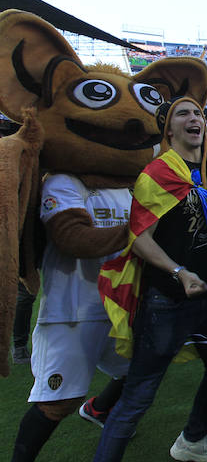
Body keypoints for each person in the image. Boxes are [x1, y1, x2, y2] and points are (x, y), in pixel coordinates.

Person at [94, 97, 207, 462]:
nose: (194, 118)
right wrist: (180, 272)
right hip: (167, 301)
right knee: (138, 396)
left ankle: (194, 439)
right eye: (183, 114)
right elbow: (139, 239)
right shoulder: (156, 174)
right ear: (168, 129)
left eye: (198, 113)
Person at [11, 171, 132, 462]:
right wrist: (138, 231)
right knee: (54, 404)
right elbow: (71, 239)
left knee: (141, 369)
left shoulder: (126, 188)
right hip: (71, 311)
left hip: (118, 309)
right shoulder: (62, 181)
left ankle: (98, 408)